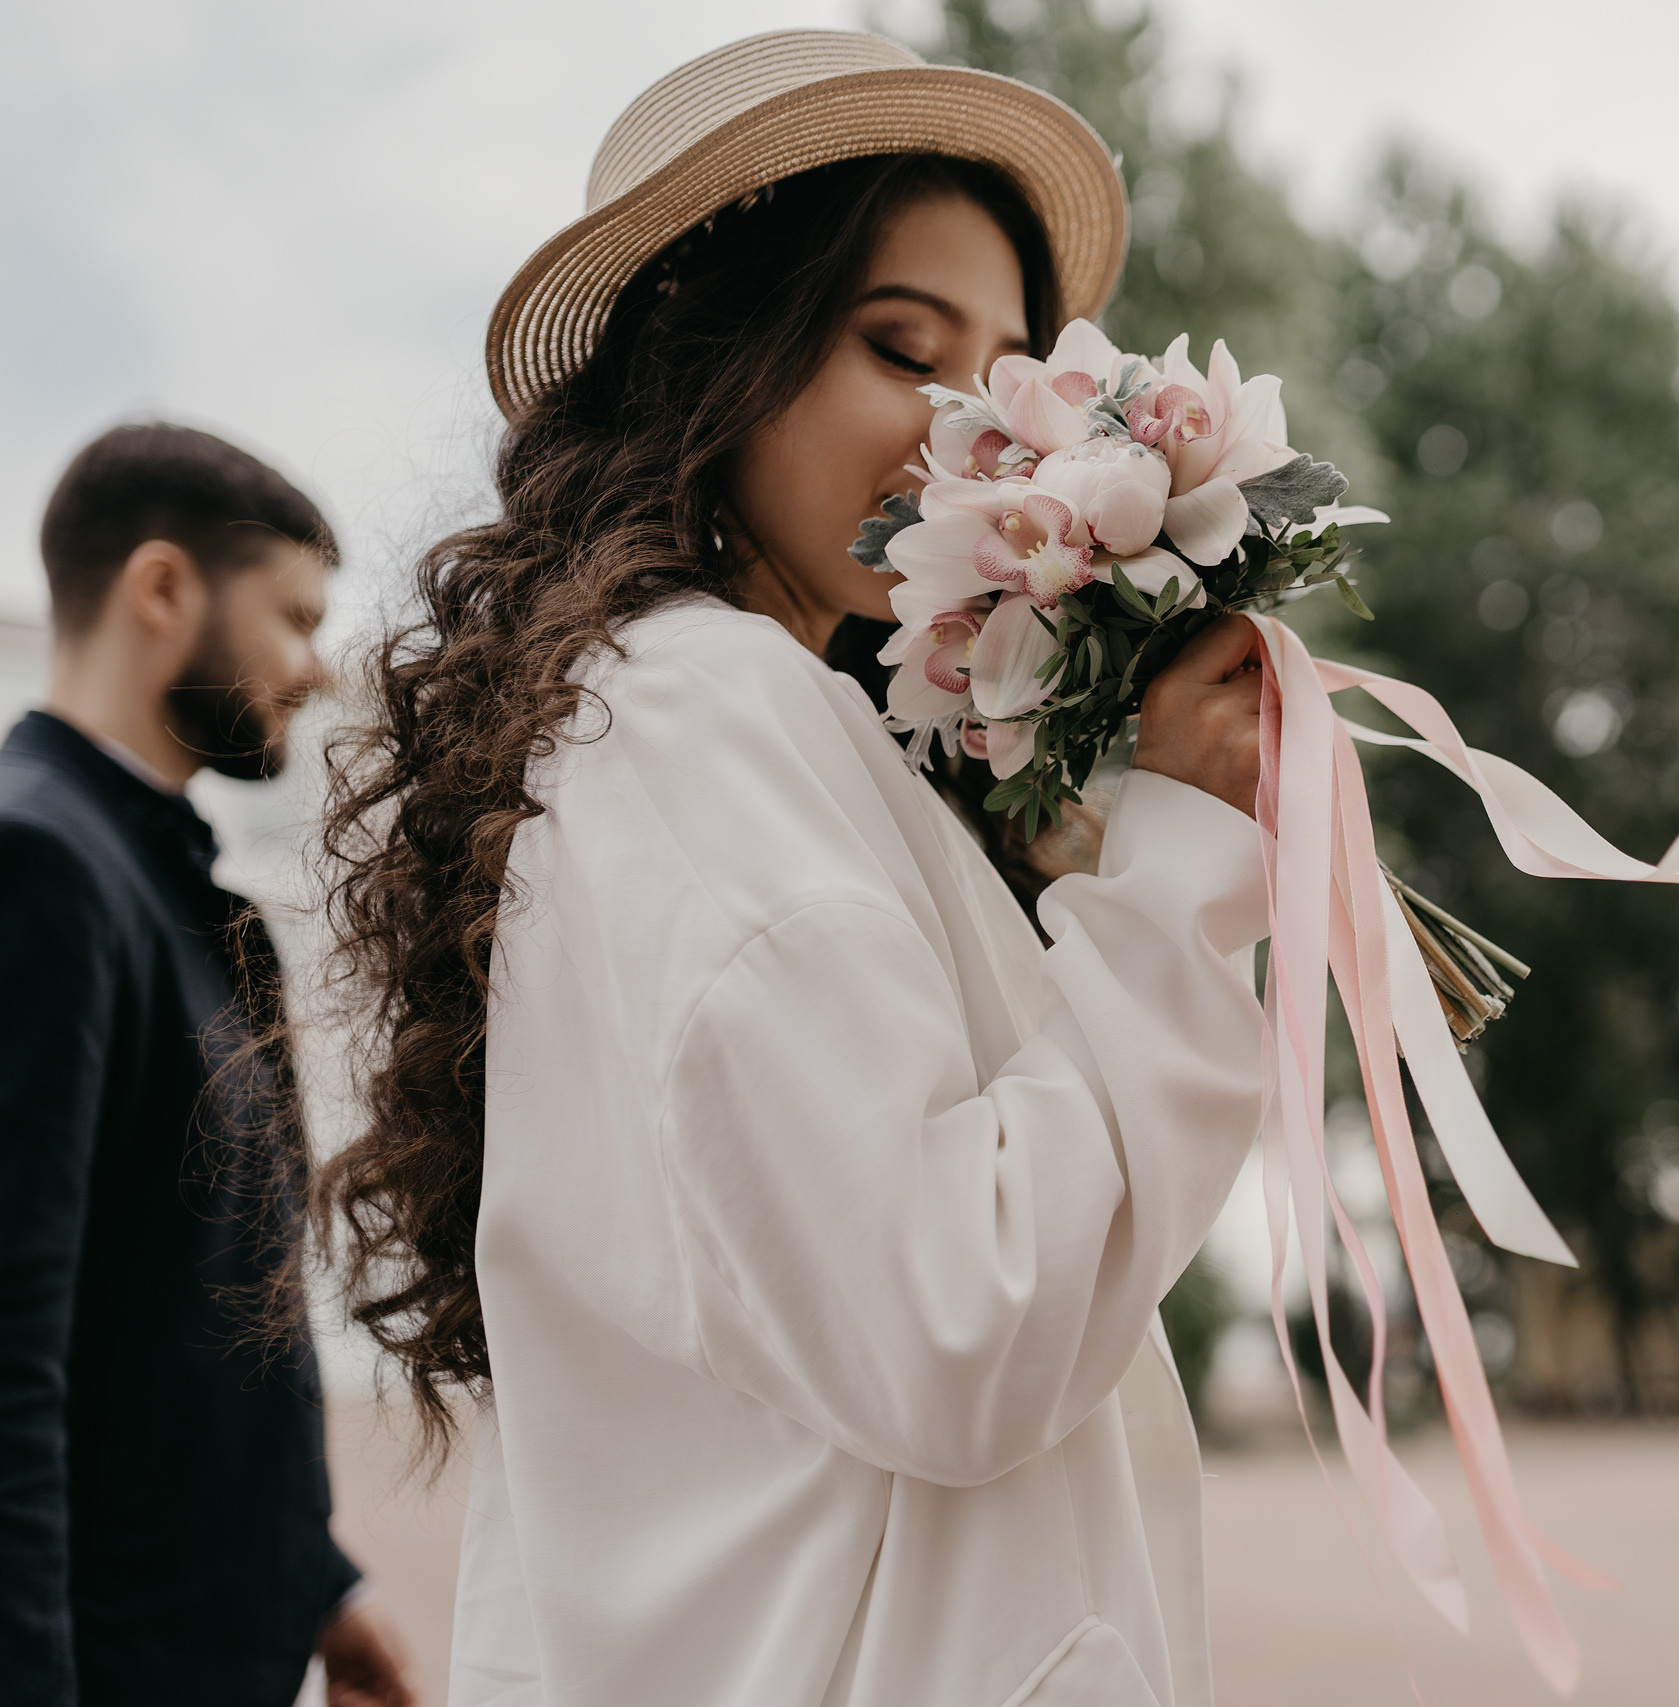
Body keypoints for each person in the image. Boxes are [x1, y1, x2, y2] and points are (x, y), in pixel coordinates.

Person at [316, 31, 1267, 1707]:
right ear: (709, 340)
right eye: (903, 347)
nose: (976, 425)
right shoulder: (702, 705)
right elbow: (949, 1317)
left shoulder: (697, 711)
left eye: (1015, 370)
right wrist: (1181, 864)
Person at [0, 422, 415, 1705]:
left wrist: (320, 1583)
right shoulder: (39, 868)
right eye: (294, 616)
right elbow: (12, 1350)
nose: (319, 667)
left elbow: (191, 1303)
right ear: (164, 588)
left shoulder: (171, 885)